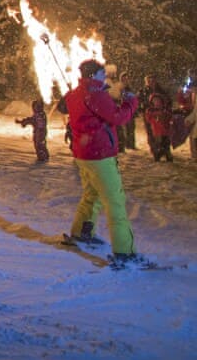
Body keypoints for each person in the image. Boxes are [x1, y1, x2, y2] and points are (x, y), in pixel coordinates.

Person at [64, 59, 141, 266]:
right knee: (114, 201)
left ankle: (82, 232)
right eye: (101, 73)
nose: (104, 75)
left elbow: (81, 109)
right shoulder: (96, 95)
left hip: (84, 154)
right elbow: (117, 117)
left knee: (92, 194)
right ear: (93, 75)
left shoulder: (76, 94)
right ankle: (125, 252)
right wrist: (131, 103)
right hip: (100, 155)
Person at [144, 89, 173, 162]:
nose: (157, 102)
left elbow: (169, 116)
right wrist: (157, 116)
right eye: (155, 101)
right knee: (159, 144)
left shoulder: (165, 109)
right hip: (157, 131)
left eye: (158, 100)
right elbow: (149, 118)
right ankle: (158, 155)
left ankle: (167, 155)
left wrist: (165, 115)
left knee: (166, 144)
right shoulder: (151, 110)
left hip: (166, 130)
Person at [115, 72, 138, 152]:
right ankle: (122, 146)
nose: (126, 80)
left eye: (127, 78)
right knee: (121, 129)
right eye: (124, 78)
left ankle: (131, 145)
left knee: (131, 128)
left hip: (130, 110)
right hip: (122, 110)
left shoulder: (129, 88)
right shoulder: (118, 88)